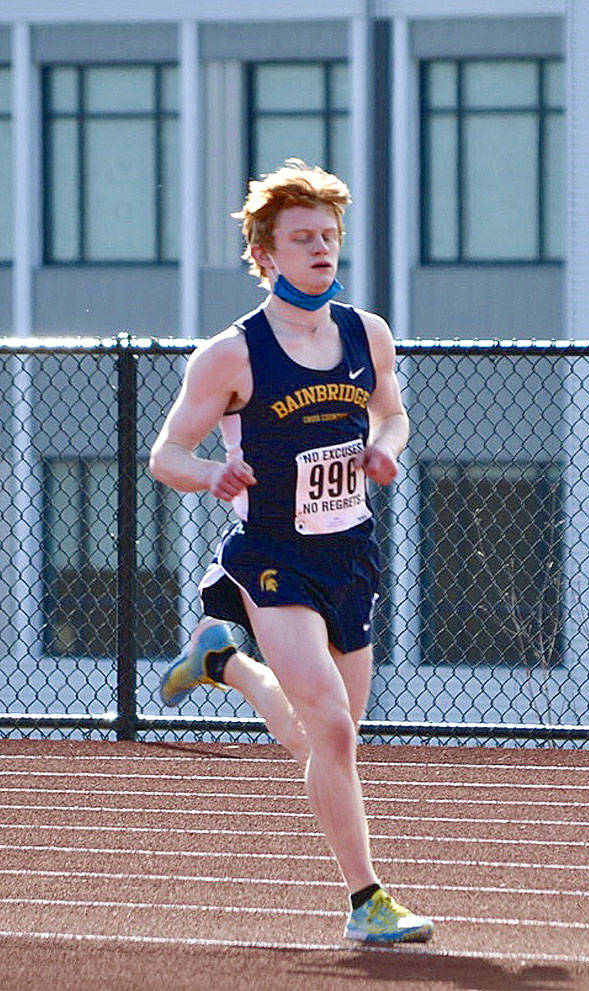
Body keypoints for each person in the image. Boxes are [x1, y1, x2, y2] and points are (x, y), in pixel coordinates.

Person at [150, 159, 433, 944]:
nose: (321, 249)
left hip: (349, 549)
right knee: (334, 731)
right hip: (271, 552)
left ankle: (224, 663)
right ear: (266, 254)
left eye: (330, 237)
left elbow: (393, 413)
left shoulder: (366, 333)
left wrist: (384, 447)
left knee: (324, 736)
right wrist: (212, 471)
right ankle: (366, 901)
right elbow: (164, 454)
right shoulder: (230, 354)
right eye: (303, 238)